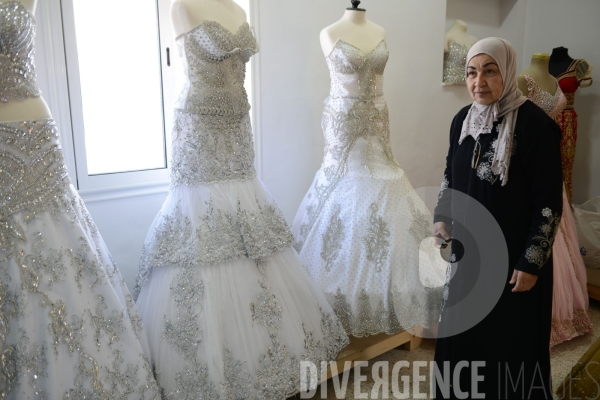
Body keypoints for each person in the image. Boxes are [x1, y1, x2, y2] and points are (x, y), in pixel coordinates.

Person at [433, 37, 563, 399]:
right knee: (462, 337)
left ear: (506, 71)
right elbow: (450, 173)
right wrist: (442, 216)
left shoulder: (536, 127)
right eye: (472, 73)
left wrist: (531, 262)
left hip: (513, 262)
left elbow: (549, 202)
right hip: (469, 255)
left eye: (490, 71)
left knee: (508, 344)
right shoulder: (463, 119)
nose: (479, 82)